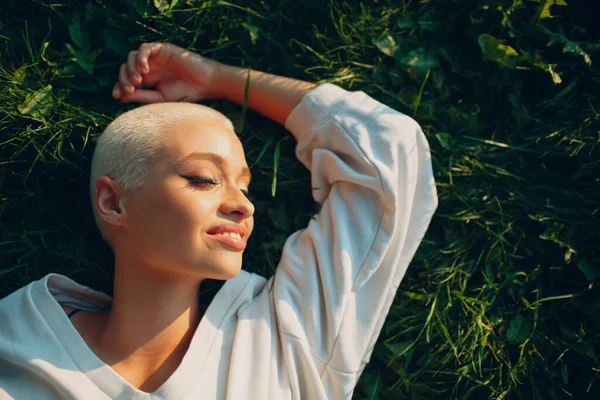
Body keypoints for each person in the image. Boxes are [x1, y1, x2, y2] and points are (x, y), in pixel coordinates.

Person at [0, 42, 438, 399]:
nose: (244, 206)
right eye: (203, 178)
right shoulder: (17, 345)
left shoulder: (283, 339)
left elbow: (390, 153)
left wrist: (219, 80)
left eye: (244, 188)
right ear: (114, 203)